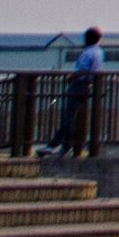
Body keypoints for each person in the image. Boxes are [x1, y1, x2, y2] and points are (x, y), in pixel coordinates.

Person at [45, 28, 104, 157]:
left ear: (87, 38)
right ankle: (72, 147)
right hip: (89, 86)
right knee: (78, 119)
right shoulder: (99, 52)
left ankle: (58, 145)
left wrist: (70, 78)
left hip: (78, 86)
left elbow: (81, 70)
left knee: (68, 117)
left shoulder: (87, 53)